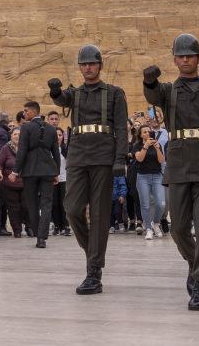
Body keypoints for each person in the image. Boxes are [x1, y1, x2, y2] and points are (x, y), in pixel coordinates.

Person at [143, 33, 199, 311]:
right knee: (180, 227)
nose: (185, 60)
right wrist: (149, 80)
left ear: (198, 59)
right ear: (175, 59)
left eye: (190, 56)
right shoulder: (169, 91)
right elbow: (152, 93)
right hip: (180, 162)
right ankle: (198, 265)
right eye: (180, 56)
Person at [48, 44, 129, 296]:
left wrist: (120, 159)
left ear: (100, 65)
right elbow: (62, 99)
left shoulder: (114, 93)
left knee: (100, 214)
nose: (87, 67)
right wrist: (55, 92)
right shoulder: (76, 93)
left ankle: (93, 270)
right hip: (78, 154)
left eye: (91, 63)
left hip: (104, 154)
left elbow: (122, 129)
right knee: (72, 209)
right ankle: (93, 253)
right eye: (83, 64)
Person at [15, 100, 61, 249]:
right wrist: (56, 172)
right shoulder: (51, 129)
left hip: (30, 170)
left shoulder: (26, 127)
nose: (24, 113)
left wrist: (15, 171)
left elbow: (21, 151)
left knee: (32, 203)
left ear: (34, 111)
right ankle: (42, 237)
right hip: (48, 170)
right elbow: (56, 153)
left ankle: (37, 233)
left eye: (26, 111)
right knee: (47, 204)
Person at [133, 124, 166, 239]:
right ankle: (148, 229)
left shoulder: (157, 144)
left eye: (149, 131)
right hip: (142, 177)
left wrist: (157, 148)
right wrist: (146, 146)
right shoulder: (137, 146)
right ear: (141, 135)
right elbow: (139, 158)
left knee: (161, 203)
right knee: (145, 205)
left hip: (157, 176)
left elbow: (161, 160)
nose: (147, 133)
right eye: (144, 132)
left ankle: (156, 223)